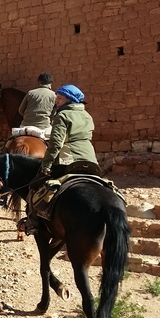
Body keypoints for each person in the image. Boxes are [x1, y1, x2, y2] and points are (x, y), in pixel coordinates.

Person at [21, 84, 99, 234]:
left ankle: (33, 223)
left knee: (36, 186)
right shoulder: (87, 116)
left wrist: (46, 166)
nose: (56, 102)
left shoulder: (62, 115)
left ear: (69, 100)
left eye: (60, 99)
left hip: (68, 159)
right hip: (90, 160)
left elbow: (56, 144)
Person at [16, 72, 56, 138]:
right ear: (50, 83)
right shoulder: (53, 95)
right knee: (55, 142)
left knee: (11, 139)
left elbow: (20, 110)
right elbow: (53, 114)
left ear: (39, 82)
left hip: (25, 125)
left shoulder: (30, 93)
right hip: (44, 127)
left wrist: (29, 117)